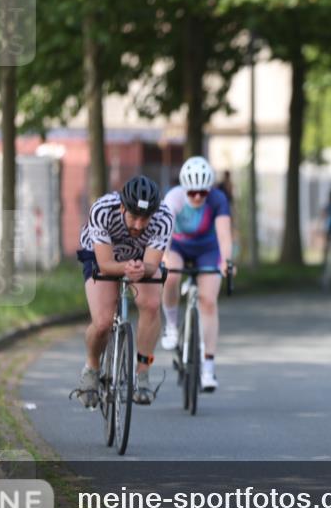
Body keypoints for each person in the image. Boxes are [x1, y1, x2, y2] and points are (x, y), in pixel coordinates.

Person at [75, 175, 173, 406]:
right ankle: (91, 367)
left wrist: (142, 268)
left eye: (145, 219)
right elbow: (106, 263)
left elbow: (152, 264)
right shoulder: (102, 210)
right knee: (102, 322)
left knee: (150, 304)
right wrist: (126, 268)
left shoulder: (164, 217)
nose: (138, 225)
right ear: (122, 207)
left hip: (140, 258)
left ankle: (143, 374)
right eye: (133, 217)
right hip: (102, 256)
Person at [159, 156, 234, 393]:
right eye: (193, 193)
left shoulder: (218, 199)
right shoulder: (174, 198)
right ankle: (171, 325)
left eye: (202, 192)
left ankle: (208, 367)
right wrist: (163, 256)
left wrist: (227, 261)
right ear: (185, 189)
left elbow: (223, 235)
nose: (198, 197)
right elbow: (165, 233)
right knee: (171, 275)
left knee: (208, 302)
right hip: (179, 245)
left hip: (207, 249)